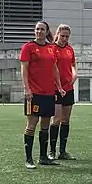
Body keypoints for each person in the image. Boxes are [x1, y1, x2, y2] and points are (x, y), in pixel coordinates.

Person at [20, 21, 65, 169]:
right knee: (32, 125)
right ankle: (28, 159)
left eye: (42, 29)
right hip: (34, 94)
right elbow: (24, 69)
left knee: (45, 125)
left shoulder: (51, 48)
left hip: (49, 93)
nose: (39, 31)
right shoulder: (28, 47)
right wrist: (27, 89)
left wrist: (59, 87)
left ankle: (43, 157)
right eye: (37, 29)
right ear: (35, 31)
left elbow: (55, 69)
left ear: (47, 32)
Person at [48, 24, 77, 160]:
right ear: (57, 34)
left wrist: (75, 74)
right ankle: (52, 151)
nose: (64, 39)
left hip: (68, 88)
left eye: (67, 36)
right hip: (55, 89)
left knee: (66, 120)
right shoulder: (52, 49)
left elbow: (73, 65)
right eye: (63, 36)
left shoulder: (70, 49)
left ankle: (63, 151)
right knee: (57, 119)